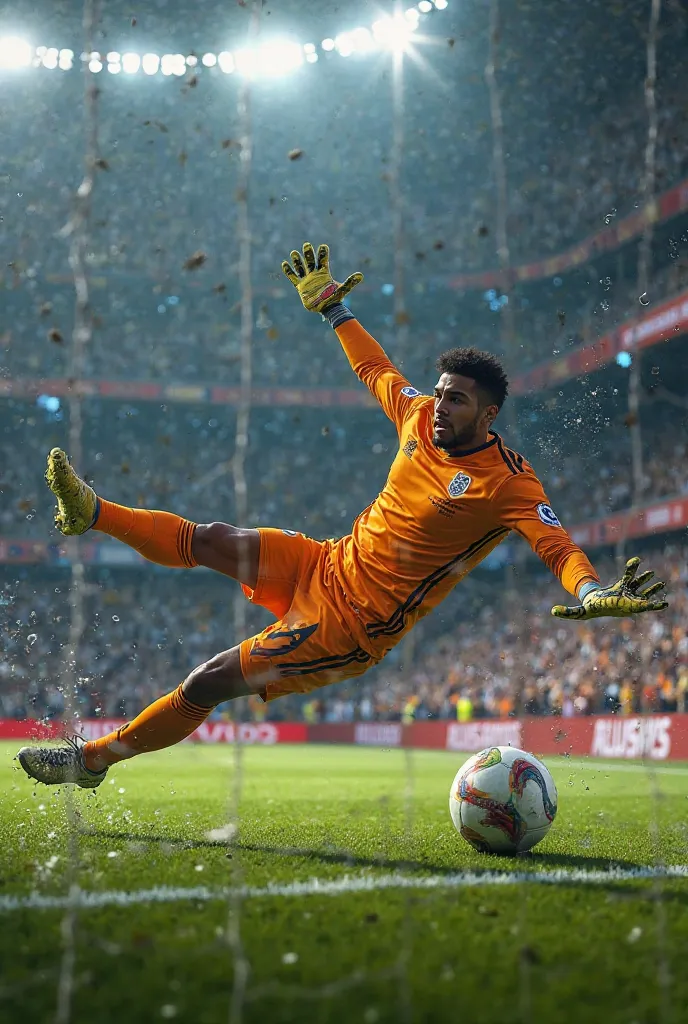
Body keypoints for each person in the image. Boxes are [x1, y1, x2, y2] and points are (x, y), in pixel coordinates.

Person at [17, 242, 668, 788]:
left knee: (209, 680)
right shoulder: (417, 415)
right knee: (211, 538)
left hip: (351, 625)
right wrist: (334, 306)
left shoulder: (509, 484)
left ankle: (93, 762)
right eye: (440, 394)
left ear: (488, 414)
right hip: (325, 560)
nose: (439, 407)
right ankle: (91, 511)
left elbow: (556, 548)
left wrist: (592, 590)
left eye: (457, 402)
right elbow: (374, 367)